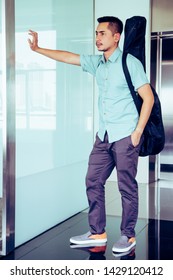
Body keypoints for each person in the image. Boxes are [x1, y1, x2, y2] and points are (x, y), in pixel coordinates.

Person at [28, 16, 154, 254]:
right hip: (104, 135)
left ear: (116, 37)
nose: (97, 38)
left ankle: (128, 235)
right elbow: (69, 57)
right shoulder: (98, 63)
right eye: (96, 34)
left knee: (126, 187)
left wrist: (137, 132)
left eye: (102, 34)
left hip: (126, 135)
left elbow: (148, 98)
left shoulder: (130, 62)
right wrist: (37, 49)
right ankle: (97, 232)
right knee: (92, 180)